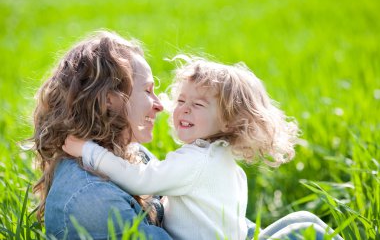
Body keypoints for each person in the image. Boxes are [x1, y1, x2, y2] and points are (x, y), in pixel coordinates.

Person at [64, 56, 342, 240]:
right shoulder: (220, 155)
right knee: (305, 223)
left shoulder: (195, 161)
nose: (184, 110)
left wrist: (88, 150)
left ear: (229, 120)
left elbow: (139, 180)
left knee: (304, 229)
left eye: (197, 105)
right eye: (181, 100)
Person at [31, 30, 172, 239]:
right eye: (147, 90)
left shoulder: (136, 153)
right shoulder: (91, 197)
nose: (159, 105)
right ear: (108, 99)